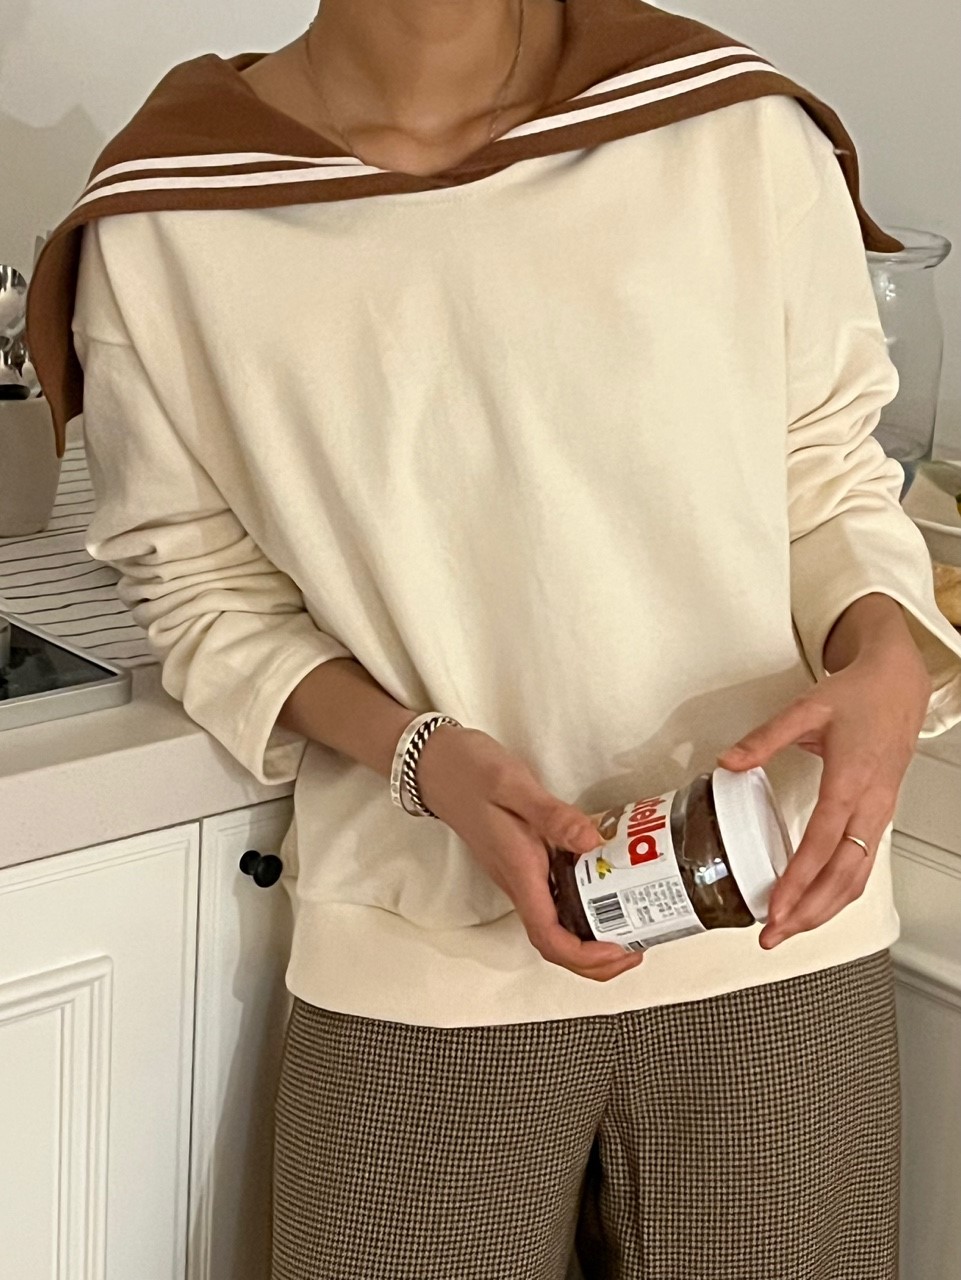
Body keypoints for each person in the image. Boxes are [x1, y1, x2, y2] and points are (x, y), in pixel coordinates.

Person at [25, 1, 961, 1276]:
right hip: (416, 957)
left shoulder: (732, 125)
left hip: (770, 923)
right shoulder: (167, 215)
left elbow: (824, 474)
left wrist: (888, 654)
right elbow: (199, 588)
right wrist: (420, 757)